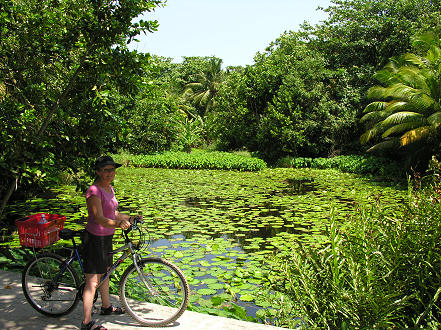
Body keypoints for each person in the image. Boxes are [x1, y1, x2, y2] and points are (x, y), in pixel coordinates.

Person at [81, 156, 141, 330]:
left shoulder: (109, 189)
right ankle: (86, 323)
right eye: (106, 170)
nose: (110, 173)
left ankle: (106, 307)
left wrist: (129, 217)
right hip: (94, 238)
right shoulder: (94, 191)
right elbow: (99, 218)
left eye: (112, 170)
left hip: (106, 238)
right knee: (92, 281)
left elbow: (113, 213)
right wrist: (118, 224)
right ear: (98, 171)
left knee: (105, 273)